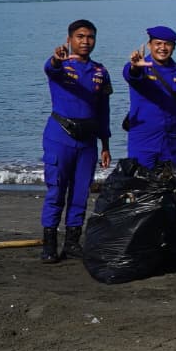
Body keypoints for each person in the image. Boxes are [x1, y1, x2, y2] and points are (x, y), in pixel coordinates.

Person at [40, 19, 112, 263]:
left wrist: (106, 144)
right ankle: (49, 244)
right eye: (80, 36)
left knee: (81, 193)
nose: (85, 41)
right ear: (70, 39)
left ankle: (72, 242)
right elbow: (50, 69)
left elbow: (104, 110)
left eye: (90, 37)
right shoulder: (61, 66)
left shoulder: (100, 71)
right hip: (60, 137)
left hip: (88, 141)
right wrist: (56, 60)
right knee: (56, 191)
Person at [122, 25, 176, 170]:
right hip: (143, 141)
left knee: (174, 187)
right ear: (149, 45)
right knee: (142, 186)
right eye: (158, 44)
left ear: (174, 47)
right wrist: (135, 67)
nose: (163, 48)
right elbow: (131, 75)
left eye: (167, 44)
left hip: (170, 142)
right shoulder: (142, 67)